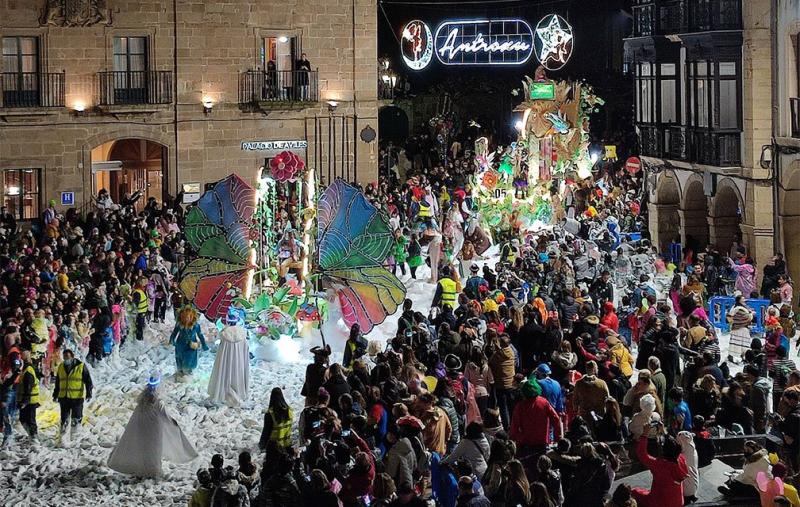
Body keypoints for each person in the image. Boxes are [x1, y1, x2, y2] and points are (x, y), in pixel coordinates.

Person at [107, 373, 198, 478]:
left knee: (144, 448)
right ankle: (153, 470)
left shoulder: (142, 400)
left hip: (142, 428)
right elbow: (165, 415)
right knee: (154, 449)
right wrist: (174, 423)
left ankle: (142, 469)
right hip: (154, 429)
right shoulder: (158, 402)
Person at [631, 433, 689, 507]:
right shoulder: (681, 459)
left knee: (634, 491)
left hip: (660, 503)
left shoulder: (659, 465)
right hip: (678, 502)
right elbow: (670, 444)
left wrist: (644, 435)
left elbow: (642, 454)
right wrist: (664, 432)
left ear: (662, 450)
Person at [207, 309, 250, 407]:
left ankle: (225, 394)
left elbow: (222, 350)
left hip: (226, 362)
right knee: (237, 375)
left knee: (225, 375)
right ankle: (237, 393)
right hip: (239, 362)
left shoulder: (224, 333)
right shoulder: (242, 333)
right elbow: (245, 348)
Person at [53, 348, 93, 445]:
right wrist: (55, 394)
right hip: (64, 398)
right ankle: (63, 439)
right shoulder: (61, 367)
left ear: (72, 357)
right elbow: (58, 382)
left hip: (76, 398)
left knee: (76, 418)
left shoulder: (81, 366)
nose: (66, 359)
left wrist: (89, 393)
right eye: (64, 357)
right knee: (64, 418)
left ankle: (75, 438)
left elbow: (88, 381)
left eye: (68, 357)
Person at [169, 306, 208, 378]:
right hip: (180, 345)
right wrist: (172, 340)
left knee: (189, 360)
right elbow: (174, 332)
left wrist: (204, 344)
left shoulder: (196, 326)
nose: (187, 318)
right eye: (184, 317)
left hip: (191, 346)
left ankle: (188, 372)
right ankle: (180, 372)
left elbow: (200, 335)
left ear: (192, 316)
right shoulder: (179, 325)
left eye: (189, 316)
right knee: (180, 358)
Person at [16, 351, 40, 445]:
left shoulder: (28, 370)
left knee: (30, 420)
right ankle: (31, 436)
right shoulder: (25, 369)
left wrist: (25, 401)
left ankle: (34, 439)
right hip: (26, 399)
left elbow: (28, 386)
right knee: (23, 419)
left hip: (29, 400)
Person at [132, 276, 149, 342]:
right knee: (139, 327)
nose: (146, 283)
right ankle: (139, 340)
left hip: (143, 312)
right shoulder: (137, 292)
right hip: (139, 313)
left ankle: (140, 338)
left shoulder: (143, 290)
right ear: (140, 282)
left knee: (141, 326)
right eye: (144, 281)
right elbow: (135, 304)